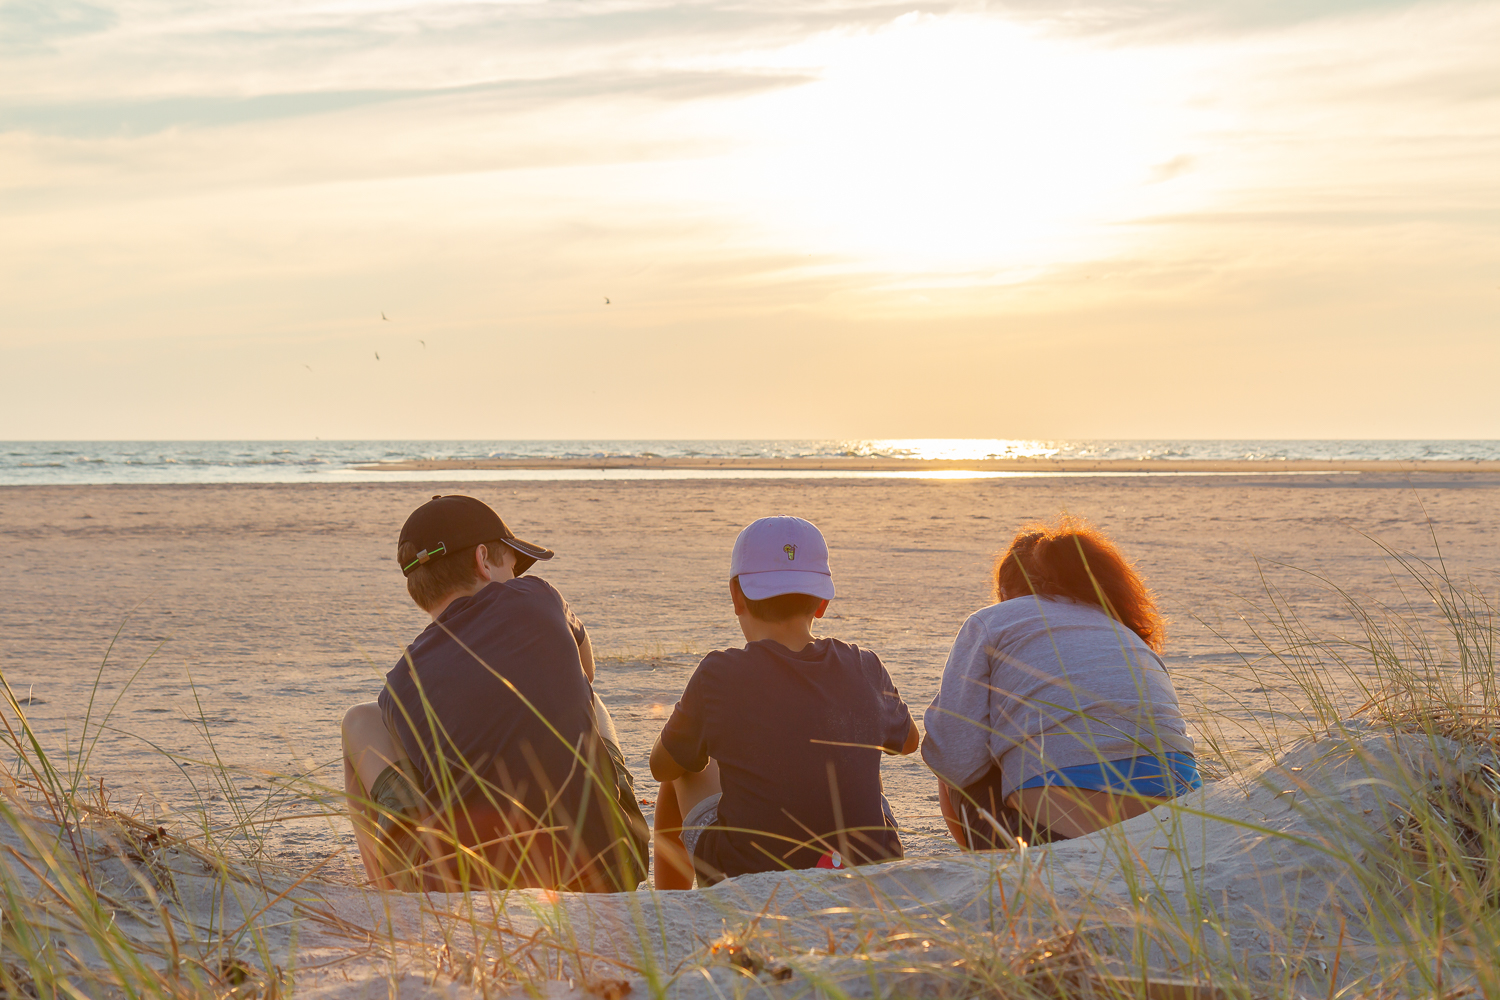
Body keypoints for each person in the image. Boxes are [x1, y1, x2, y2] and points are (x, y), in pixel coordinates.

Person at [340, 494, 647, 892]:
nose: (517, 578)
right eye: (513, 567)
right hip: (606, 867)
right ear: (483, 560)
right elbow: (587, 670)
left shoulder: (401, 680)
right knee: (589, 696)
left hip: (465, 886)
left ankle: (389, 890)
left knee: (360, 720)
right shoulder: (538, 597)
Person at [649, 516, 920, 889]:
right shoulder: (864, 664)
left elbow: (661, 766)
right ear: (822, 602)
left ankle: (672, 906)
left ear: (736, 596)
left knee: (683, 764)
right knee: (857, 744)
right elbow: (908, 743)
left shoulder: (718, 673)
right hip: (867, 868)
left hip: (748, 875)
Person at [922, 516, 1201, 849]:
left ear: (1006, 591)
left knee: (947, 740)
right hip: (1181, 824)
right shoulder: (1122, 629)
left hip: (1053, 834)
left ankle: (986, 865)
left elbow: (954, 757)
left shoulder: (990, 621)